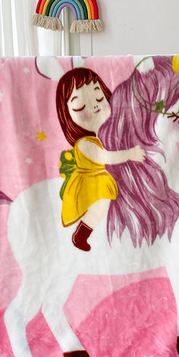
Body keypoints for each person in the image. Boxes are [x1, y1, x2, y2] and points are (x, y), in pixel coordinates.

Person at [56, 67, 146, 251]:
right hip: (89, 181)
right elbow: (106, 157)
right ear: (67, 114)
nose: (95, 106)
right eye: (80, 106)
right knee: (101, 207)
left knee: (104, 205)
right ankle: (80, 235)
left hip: (98, 178)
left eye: (99, 98)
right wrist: (130, 154)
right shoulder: (84, 143)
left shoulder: (98, 138)